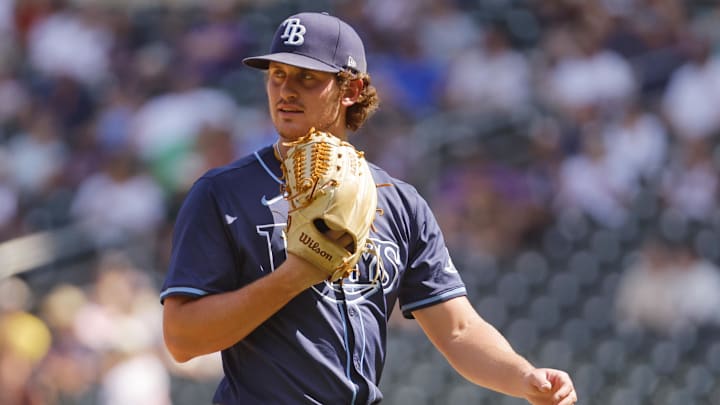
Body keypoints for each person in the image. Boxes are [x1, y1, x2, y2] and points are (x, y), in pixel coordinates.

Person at [160, 11, 577, 405]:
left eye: (307, 78)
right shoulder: (223, 193)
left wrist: (524, 377)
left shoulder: (399, 202)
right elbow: (182, 339)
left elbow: (459, 329)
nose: (286, 90)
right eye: (277, 75)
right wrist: (292, 278)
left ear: (352, 90)